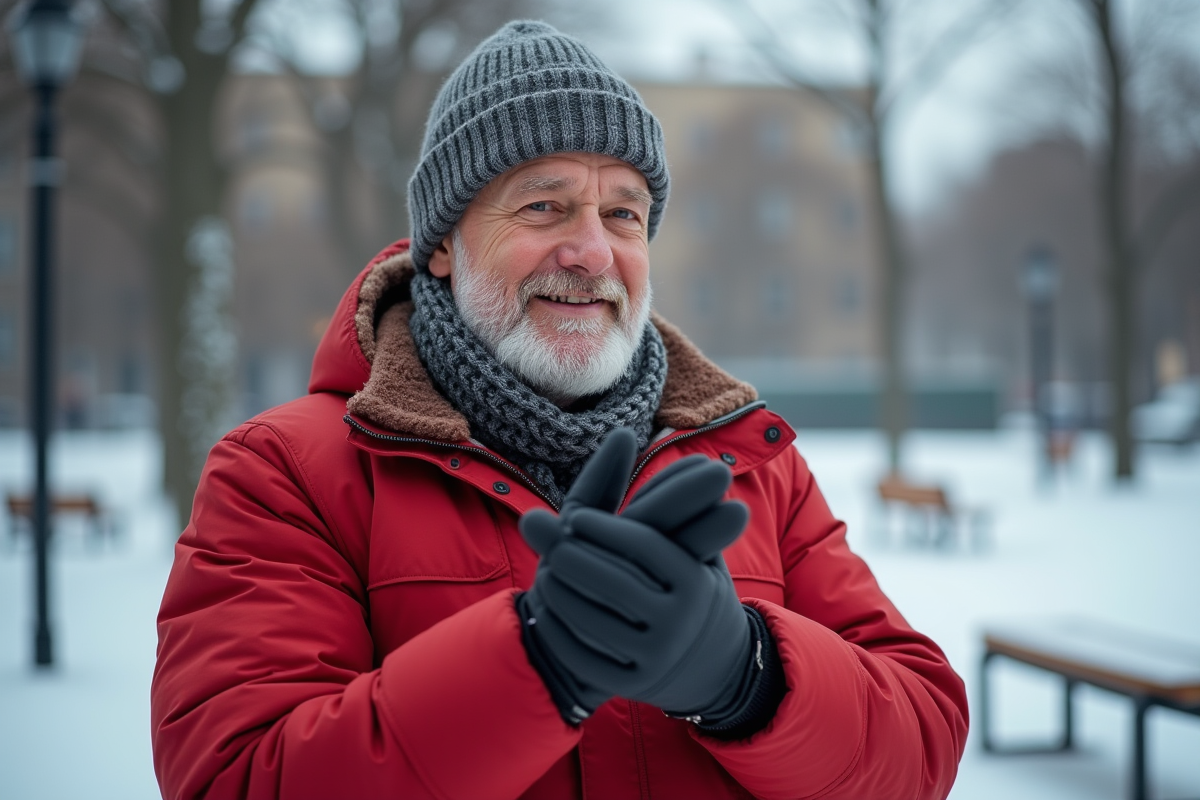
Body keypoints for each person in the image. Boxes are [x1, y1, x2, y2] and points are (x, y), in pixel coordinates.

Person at [150, 20, 967, 800]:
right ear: (444, 242)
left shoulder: (752, 460)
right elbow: (237, 776)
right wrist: (539, 659)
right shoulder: (285, 472)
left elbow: (922, 741)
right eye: (544, 206)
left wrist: (745, 674)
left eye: (623, 213)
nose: (593, 251)